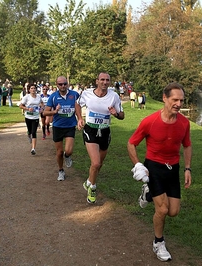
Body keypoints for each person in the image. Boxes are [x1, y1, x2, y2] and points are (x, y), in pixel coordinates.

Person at [127, 82, 192, 262]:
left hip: (173, 169)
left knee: (173, 212)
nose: (178, 103)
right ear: (165, 98)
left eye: (181, 100)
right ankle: (158, 242)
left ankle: (147, 195)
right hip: (154, 167)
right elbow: (131, 143)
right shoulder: (150, 121)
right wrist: (138, 165)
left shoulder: (184, 123)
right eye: (175, 99)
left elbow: (187, 145)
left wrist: (187, 168)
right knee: (162, 210)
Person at [78, 72, 124, 203]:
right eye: (102, 80)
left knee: (99, 164)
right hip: (90, 130)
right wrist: (80, 118)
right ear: (97, 81)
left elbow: (122, 115)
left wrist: (115, 114)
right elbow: (77, 104)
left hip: (105, 131)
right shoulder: (87, 93)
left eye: (107, 80)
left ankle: (88, 181)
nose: (105, 82)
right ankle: (92, 188)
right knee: (96, 162)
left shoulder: (114, 96)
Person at [43, 76, 84, 181]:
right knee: (59, 152)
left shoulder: (74, 95)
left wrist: (80, 118)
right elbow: (45, 112)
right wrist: (54, 112)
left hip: (70, 126)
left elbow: (79, 107)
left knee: (68, 151)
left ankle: (68, 156)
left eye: (65, 84)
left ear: (67, 84)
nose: (63, 86)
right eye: (60, 84)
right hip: (58, 126)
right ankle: (61, 170)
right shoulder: (53, 96)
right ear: (57, 85)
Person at [19, 84, 44, 155]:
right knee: (30, 131)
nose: (33, 90)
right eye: (31, 88)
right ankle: (28, 134)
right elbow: (20, 106)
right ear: (29, 90)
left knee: (34, 132)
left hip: (35, 117)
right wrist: (27, 109)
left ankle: (33, 149)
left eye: (34, 88)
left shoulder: (39, 97)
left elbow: (42, 104)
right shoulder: (26, 97)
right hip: (28, 117)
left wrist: (42, 109)